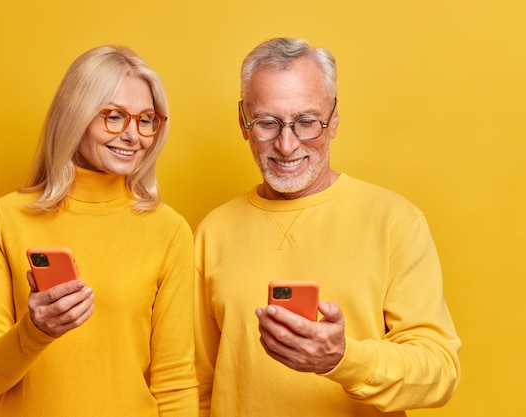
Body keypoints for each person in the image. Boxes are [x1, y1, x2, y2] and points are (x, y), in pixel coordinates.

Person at [194, 37, 461, 417]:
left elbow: (440, 372)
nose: (287, 145)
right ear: (243, 121)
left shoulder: (395, 221)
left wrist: (343, 358)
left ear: (334, 119)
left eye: (306, 122)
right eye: (267, 123)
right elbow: (197, 382)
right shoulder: (212, 232)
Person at [0, 45, 198, 417]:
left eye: (146, 120)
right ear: (75, 115)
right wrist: (35, 330)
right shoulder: (8, 217)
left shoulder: (168, 230)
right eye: (114, 116)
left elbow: (175, 380)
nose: (132, 135)